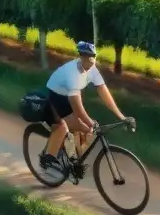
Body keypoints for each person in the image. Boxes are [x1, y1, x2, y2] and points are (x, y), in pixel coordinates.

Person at [39, 41, 131, 173]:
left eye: (93, 56)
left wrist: (121, 116)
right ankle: (49, 157)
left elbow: (104, 93)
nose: (91, 60)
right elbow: (76, 107)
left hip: (69, 97)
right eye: (88, 57)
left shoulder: (92, 69)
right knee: (84, 127)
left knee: (86, 131)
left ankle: (73, 158)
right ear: (81, 57)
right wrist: (90, 123)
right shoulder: (73, 74)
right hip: (56, 98)